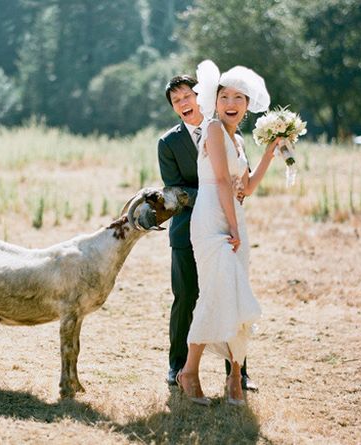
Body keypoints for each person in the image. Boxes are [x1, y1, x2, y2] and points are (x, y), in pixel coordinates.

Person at [175, 60, 280, 406]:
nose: (231, 103)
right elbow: (220, 180)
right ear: (214, 101)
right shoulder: (215, 130)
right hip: (211, 220)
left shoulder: (238, 142)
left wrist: (268, 153)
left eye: (239, 98)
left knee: (236, 294)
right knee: (213, 294)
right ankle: (188, 371)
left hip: (236, 219)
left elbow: (245, 188)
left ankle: (235, 376)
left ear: (248, 106)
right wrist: (232, 226)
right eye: (225, 97)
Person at [157, 74, 258, 393]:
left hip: (228, 229)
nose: (184, 103)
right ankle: (178, 367)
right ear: (175, 109)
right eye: (177, 101)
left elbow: (242, 176)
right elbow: (175, 189)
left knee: (232, 295)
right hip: (189, 230)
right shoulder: (168, 143)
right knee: (185, 298)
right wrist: (220, 194)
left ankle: (238, 373)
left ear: (200, 97)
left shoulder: (227, 129)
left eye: (188, 96)